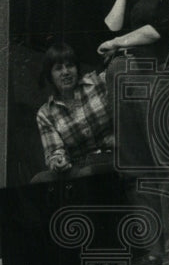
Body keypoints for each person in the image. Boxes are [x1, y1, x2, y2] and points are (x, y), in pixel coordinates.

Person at [98, 0, 169, 265]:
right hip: (123, 78)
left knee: (161, 160)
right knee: (133, 164)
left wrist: (117, 43)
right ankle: (152, 246)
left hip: (153, 77)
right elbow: (111, 25)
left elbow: (159, 30)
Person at [36, 42, 114, 171]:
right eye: (58, 68)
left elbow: (119, 72)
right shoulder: (45, 114)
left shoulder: (98, 82)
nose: (65, 72)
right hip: (80, 168)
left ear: (77, 69)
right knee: (39, 180)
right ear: (50, 75)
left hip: (114, 157)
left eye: (70, 66)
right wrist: (59, 162)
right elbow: (54, 151)